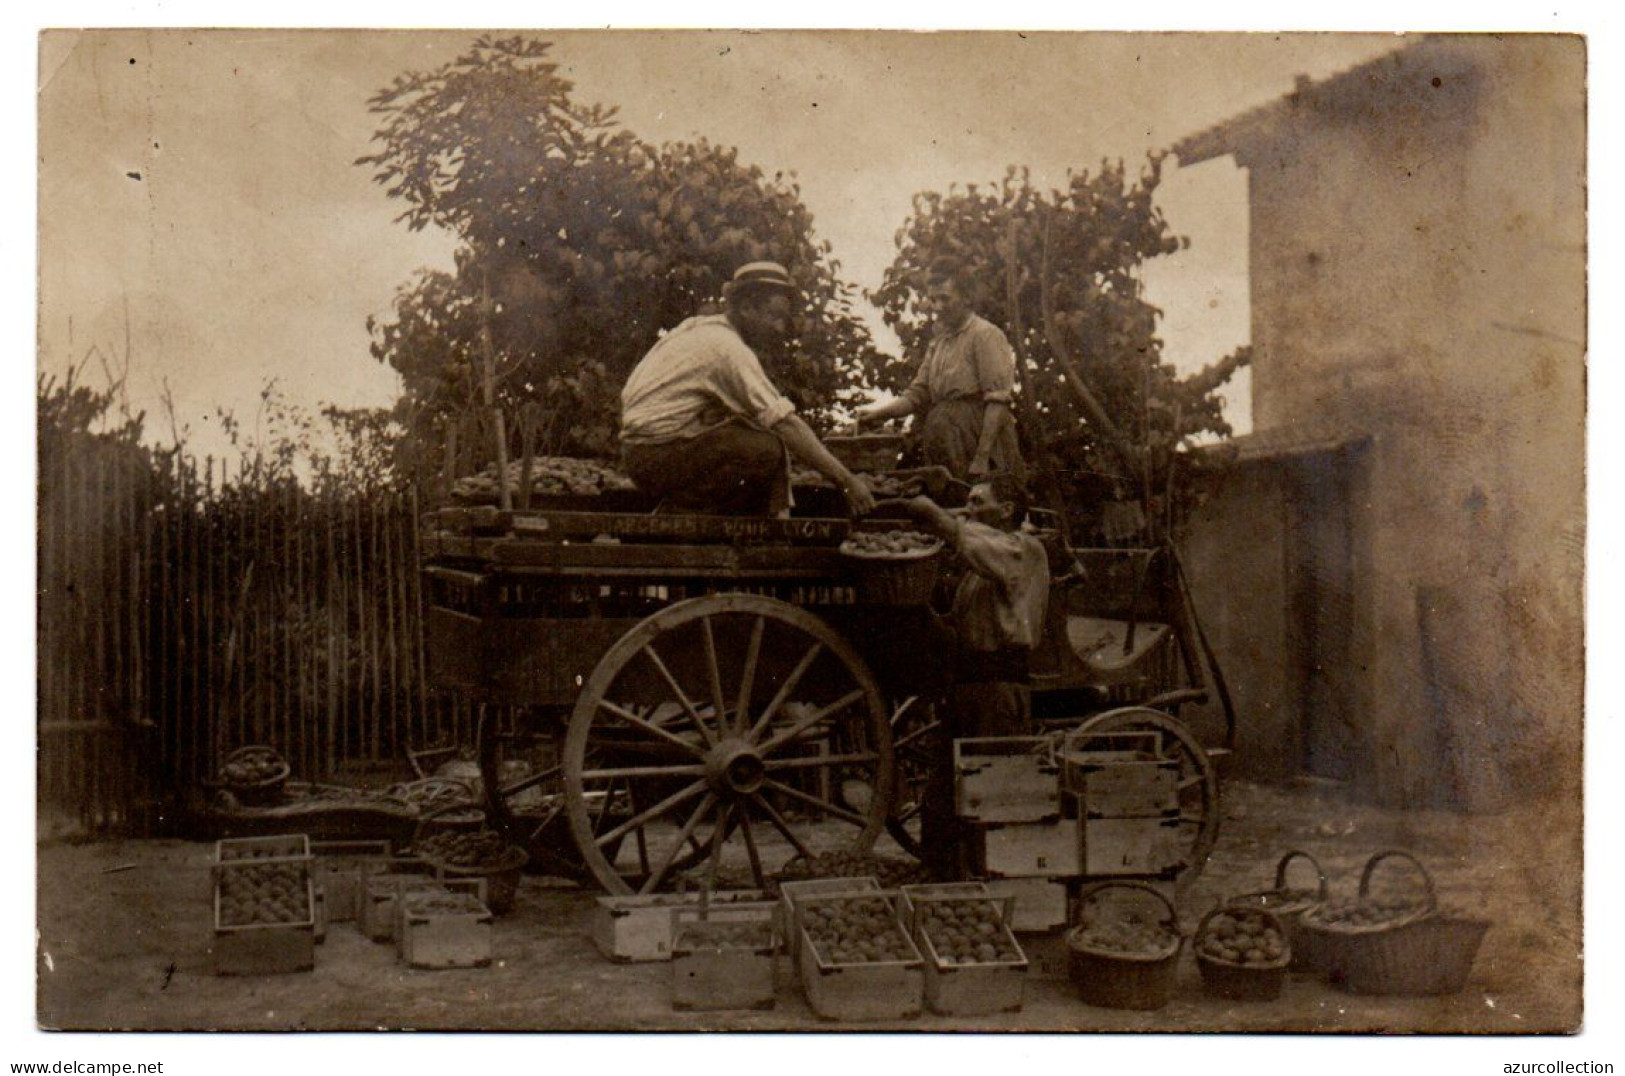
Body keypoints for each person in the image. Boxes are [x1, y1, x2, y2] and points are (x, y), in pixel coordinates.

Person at [619, 262, 875, 517]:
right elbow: (786, 424)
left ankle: (698, 516)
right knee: (764, 449)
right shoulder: (727, 349)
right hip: (655, 457)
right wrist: (847, 482)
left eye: (782, 318)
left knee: (751, 436)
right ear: (746, 308)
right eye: (772, 315)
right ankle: (675, 517)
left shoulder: (700, 327)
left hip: (644, 453)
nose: (779, 327)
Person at [895, 473, 1050, 880]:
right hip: (967, 687)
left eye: (979, 502)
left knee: (991, 791)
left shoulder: (1022, 549)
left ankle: (995, 885)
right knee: (946, 791)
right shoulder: (978, 573)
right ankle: (945, 879)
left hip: (998, 689)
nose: (969, 508)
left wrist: (931, 513)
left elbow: (968, 539)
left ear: (1007, 511)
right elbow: (958, 627)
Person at [854, 271, 1026, 485]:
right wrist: (879, 414)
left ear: (967, 297)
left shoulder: (985, 335)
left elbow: (997, 401)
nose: (937, 307)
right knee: (948, 500)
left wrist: (982, 457)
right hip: (944, 436)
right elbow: (918, 393)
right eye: (933, 299)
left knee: (980, 502)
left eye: (945, 298)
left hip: (975, 435)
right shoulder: (940, 342)